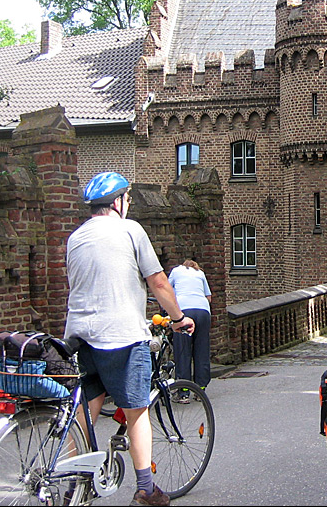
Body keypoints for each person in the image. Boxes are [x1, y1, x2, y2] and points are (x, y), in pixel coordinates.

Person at [65, 172, 195, 507]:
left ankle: (71, 484)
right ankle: (146, 489)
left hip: (80, 337)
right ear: (118, 202)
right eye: (127, 199)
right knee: (137, 411)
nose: (129, 204)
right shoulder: (130, 229)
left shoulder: (75, 237)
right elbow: (159, 282)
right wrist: (179, 319)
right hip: (120, 336)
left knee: (87, 409)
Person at [169, 259, 212, 401]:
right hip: (203, 312)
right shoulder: (200, 273)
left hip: (184, 312)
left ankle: (184, 392)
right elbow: (209, 297)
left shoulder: (176, 271)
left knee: (183, 351)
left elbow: (167, 291)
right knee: (201, 350)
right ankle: (201, 390)